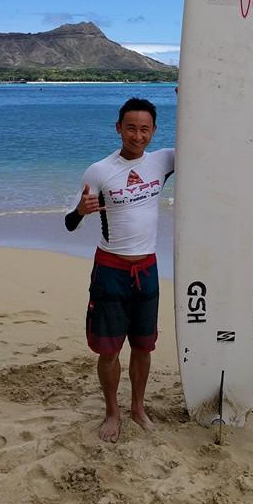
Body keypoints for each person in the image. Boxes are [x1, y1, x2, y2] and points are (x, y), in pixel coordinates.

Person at [65, 97, 174, 442]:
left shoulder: (164, 161)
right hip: (111, 268)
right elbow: (70, 223)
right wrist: (82, 211)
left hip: (148, 268)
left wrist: (187, 94)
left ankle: (138, 407)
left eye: (144, 129)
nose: (137, 136)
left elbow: (205, 140)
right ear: (118, 128)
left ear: (154, 131)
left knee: (144, 346)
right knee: (109, 349)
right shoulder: (99, 171)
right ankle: (113, 411)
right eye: (131, 128)